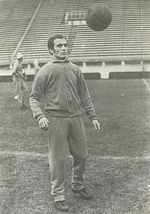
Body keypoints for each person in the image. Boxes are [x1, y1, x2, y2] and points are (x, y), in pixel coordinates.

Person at [29, 34, 100, 212]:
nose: (63, 48)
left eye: (65, 45)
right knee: (58, 159)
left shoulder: (75, 69)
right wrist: (40, 116)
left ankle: (77, 185)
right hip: (56, 119)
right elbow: (34, 97)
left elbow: (84, 95)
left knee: (82, 155)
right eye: (59, 45)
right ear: (51, 50)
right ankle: (58, 194)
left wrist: (93, 116)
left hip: (76, 118)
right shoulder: (45, 71)